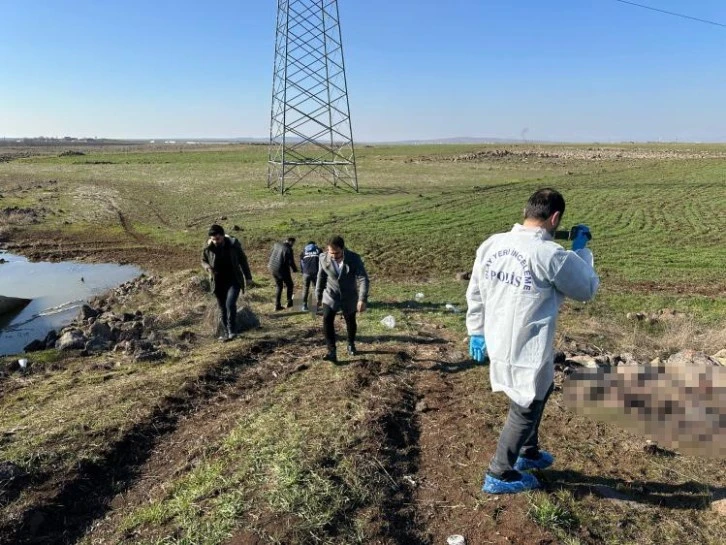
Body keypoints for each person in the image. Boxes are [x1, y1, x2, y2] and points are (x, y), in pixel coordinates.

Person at [466, 188, 599, 494]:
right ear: (555, 218)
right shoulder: (550, 255)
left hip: (499, 336)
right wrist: (581, 251)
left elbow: (475, 290)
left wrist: (476, 329)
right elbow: (586, 289)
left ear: (528, 212)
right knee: (525, 406)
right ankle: (499, 472)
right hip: (527, 345)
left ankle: (529, 452)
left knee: (543, 388)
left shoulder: (493, 243)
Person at [316, 235, 369, 363]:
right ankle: (331, 351)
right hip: (330, 294)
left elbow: (363, 279)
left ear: (343, 249)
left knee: (350, 321)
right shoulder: (323, 258)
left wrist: (362, 299)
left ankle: (351, 343)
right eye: (331, 253)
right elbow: (321, 277)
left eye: (336, 253)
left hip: (349, 295)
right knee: (327, 319)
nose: (333, 256)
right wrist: (317, 296)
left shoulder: (354, 258)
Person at [201, 224, 253, 341]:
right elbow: (203, 260)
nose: (215, 241)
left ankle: (232, 331)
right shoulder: (208, 248)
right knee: (223, 308)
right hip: (218, 282)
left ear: (223, 236)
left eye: (218, 239)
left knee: (230, 304)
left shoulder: (234, 245)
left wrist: (248, 277)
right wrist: (208, 267)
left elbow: (243, 261)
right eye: (213, 239)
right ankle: (226, 332)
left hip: (234, 280)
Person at [268, 237, 298, 311]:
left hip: (272, 267)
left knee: (279, 286)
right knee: (290, 285)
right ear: (290, 242)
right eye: (293, 243)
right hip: (281, 269)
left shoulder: (276, 244)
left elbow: (271, 254)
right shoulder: (288, 249)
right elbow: (291, 262)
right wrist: (295, 270)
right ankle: (289, 302)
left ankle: (277, 305)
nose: (293, 245)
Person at [299, 241, 322, 312]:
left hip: (306, 273)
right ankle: (315, 307)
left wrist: (303, 271)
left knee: (305, 288)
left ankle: (304, 306)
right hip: (316, 272)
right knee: (316, 289)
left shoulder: (304, 251)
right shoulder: (319, 250)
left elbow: (302, 263)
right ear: (315, 244)